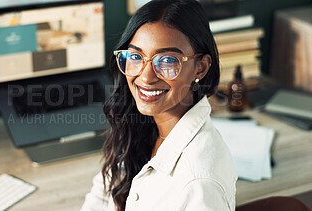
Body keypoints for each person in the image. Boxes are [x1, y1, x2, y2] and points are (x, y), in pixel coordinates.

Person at [81, 0, 237, 210]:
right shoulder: (140, 122)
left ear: (200, 67)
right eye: (136, 56)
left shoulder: (200, 182)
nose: (145, 77)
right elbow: (101, 196)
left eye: (166, 61)